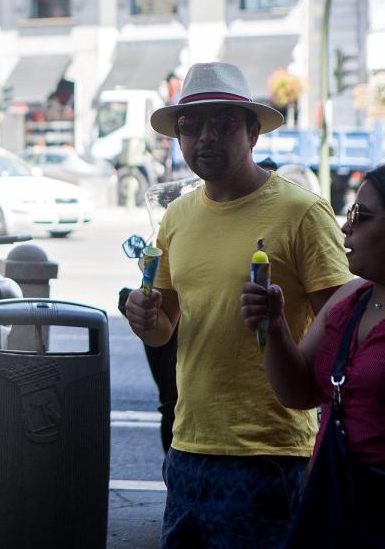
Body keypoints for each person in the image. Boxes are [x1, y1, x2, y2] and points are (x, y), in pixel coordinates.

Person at [125, 62, 351, 548]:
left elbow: (345, 326)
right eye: (191, 125)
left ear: (253, 133)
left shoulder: (302, 213)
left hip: (270, 452)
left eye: (224, 122)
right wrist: (144, 319)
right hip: (188, 446)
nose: (206, 136)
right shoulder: (177, 215)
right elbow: (164, 326)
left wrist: (280, 330)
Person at [240, 165, 385, 542]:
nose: (345, 228)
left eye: (361, 216)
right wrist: (274, 325)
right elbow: (298, 392)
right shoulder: (349, 300)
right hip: (333, 505)